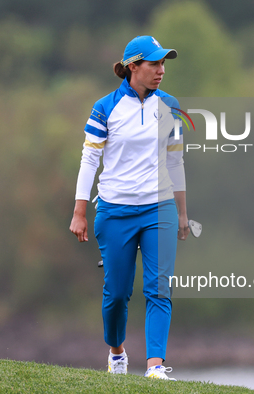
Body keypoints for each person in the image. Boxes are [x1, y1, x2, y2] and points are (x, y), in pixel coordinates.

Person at [69, 35, 189, 381]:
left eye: (164, 64)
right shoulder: (105, 107)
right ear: (133, 67)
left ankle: (155, 367)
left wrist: (182, 213)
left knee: (159, 287)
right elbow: (90, 158)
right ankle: (117, 352)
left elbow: (175, 161)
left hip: (159, 209)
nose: (161, 71)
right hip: (115, 210)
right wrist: (80, 212)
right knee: (117, 293)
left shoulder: (169, 105)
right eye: (154, 64)